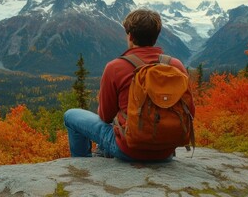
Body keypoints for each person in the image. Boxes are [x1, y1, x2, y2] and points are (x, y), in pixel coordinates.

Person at [64, 9, 195, 162]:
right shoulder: (175, 65)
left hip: (129, 150)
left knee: (71, 115)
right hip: (166, 152)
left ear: (130, 36)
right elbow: (190, 111)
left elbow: (105, 116)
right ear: (156, 36)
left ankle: (82, 167)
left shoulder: (115, 67)